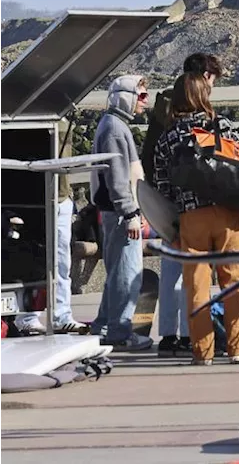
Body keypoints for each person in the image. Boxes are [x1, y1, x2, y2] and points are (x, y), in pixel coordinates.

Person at [153, 74, 239, 365]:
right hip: (229, 214)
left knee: (196, 287)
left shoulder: (168, 137)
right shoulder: (221, 126)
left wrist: (171, 224)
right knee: (234, 284)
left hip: (191, 217)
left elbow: (161, 186)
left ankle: (202, 352)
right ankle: (236, 349)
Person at [143, 53, 221, 358]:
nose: (213, 86)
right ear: (202, 76)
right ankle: (190, 334)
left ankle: (168, 334)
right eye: (212, 79)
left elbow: (151, 154)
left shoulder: (164, 103)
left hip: (165, 197)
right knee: (194, 271)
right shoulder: (190, 110)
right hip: (192, 203)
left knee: (173, 269)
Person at [89, 76, 153, 352]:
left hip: (114, 211)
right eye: (140, 95)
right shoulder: (115, 129)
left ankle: (104, 326)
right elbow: (117, 178)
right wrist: (130, 213)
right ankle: (119, 331)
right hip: (120, 213)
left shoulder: (113, 125)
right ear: (124, 96)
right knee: (128, 274)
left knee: (117, 272)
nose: (145, 101)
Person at [52, 120, 90, 335]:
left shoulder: (64, 118)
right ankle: (27, 316)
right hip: (40, 198)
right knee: (32, 260)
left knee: (62, 262)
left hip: (62, 198)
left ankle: (62, 314)